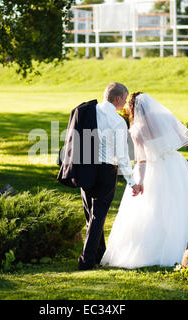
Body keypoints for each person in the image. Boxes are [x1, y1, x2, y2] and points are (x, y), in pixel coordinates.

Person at [100, 92, 188, 269]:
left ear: (133, 108)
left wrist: (140, 181)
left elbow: (142, 160)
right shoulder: (166, 118)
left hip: (152, 169)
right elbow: (184, 141)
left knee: (152, 208)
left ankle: (152, 248)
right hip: (175, 166)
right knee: (178, 205)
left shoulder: (136, 129)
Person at [57, 82, 142, 270]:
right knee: (98, 216)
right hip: (105, 171)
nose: (125, 103)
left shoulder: (85, 111)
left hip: (85, 168)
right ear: (118, 98)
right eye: (125, 99)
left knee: (91, 215)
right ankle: (86, 261)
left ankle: (98, 254)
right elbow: (122, 156)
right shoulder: (118, 121)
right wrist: (131, 181)